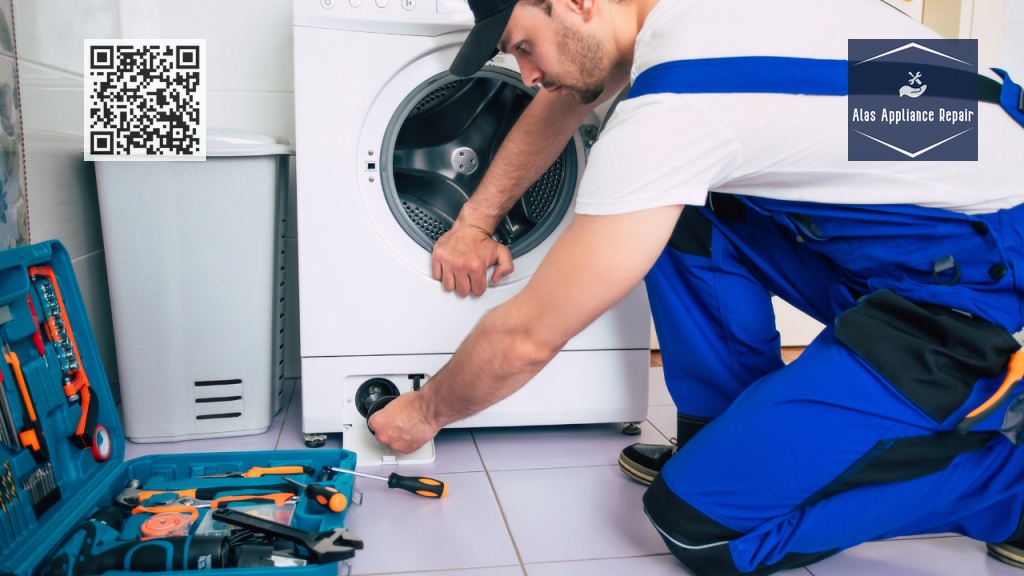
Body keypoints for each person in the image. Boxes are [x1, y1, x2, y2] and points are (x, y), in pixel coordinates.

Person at [367, 0, 1024, 573]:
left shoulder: (680, 99)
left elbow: (529, 338)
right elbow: (570, 92)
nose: (528, 74)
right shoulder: (690, 18)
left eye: (522, 48)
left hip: (972, 294)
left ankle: (1006, 487)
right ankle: (725, 434)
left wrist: (423, 414)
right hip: (920, 235)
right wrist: (474, 221)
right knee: (684, 210)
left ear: (578, 2)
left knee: (700, 524)